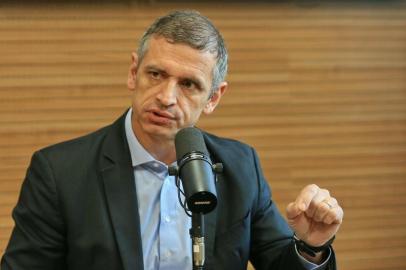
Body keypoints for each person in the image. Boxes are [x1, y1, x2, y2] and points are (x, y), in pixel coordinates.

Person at [1, 10, 343, 270]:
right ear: (134, 73)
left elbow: (278, 261)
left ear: (213, 97)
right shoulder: (60, 173)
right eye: (156, 74)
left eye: (189, 84)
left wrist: (310, 246)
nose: (166, 97)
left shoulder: (241, 166)